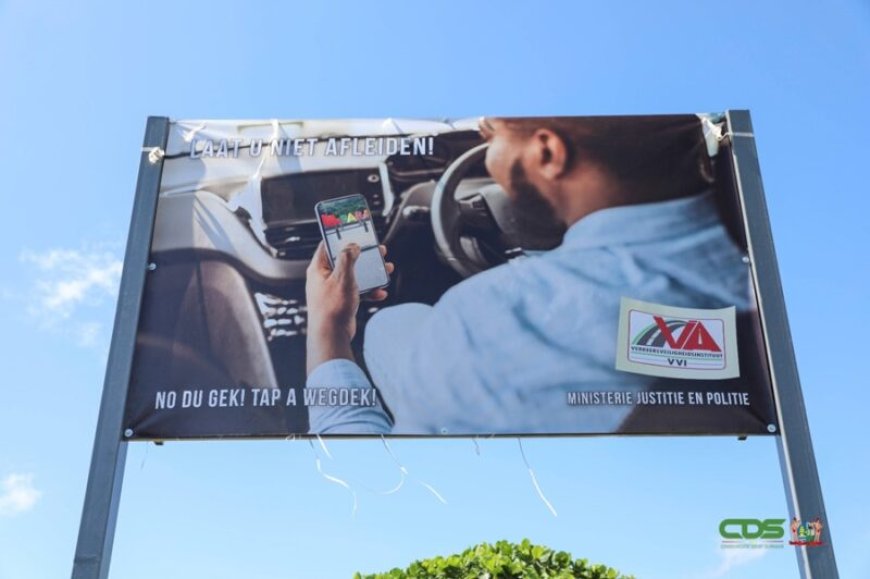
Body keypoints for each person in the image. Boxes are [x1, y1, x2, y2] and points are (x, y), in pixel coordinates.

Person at [304, 116, 751, 434]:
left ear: (548, 153)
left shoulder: (485, 322)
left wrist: (330, 330)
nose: (487, 152)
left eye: (490, 135)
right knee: (397, 324)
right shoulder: (756, 259)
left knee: (389, 323)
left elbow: (368, 475)